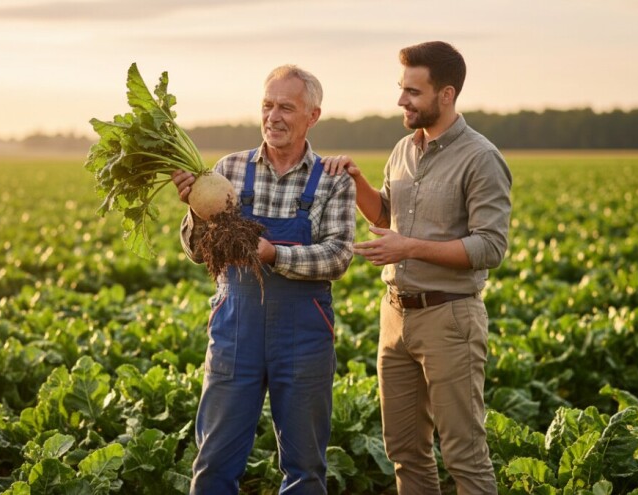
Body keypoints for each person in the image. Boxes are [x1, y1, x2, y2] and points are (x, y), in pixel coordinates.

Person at [323, 41, 512, 494]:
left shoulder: (480, 158)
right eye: (401, 88)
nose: (401, 100)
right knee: (405, 451)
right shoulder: (403, 150)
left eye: (412, 91)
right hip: (395, 318)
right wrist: (357, 182)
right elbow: (386, 217)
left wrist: (409, 247)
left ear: (445, 95)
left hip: (449, 319)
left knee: (464, 455)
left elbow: (490, 246)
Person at [172, 65, 356, 495]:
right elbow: (199, 253)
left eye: (286, 107)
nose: (273, 116)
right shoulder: (227, 170)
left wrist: (275, 254)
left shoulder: (331, 179)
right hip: (236, 327)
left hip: (304, 334)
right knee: (215, 460)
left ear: (312, 116)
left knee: (305, 467)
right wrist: (197, 213)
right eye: (267, 105)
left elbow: (338, 255)